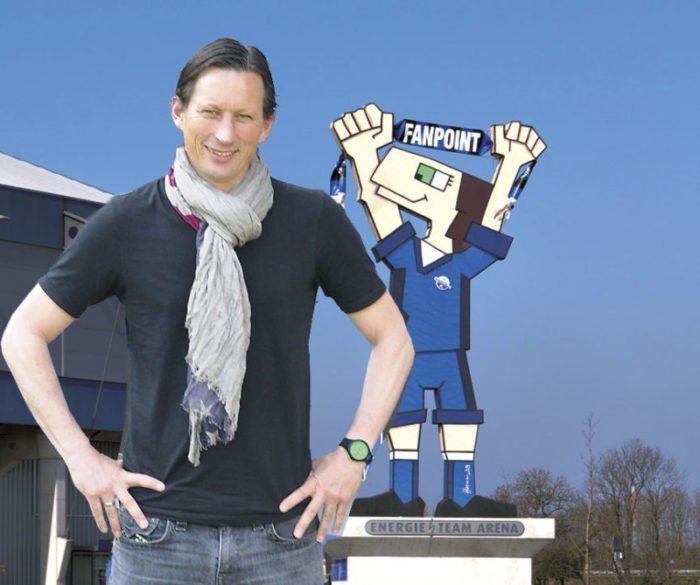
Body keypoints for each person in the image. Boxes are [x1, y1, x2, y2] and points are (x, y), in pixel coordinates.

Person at [1, 40, 414, 584]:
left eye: (243, 116)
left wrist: (354, 453)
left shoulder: (312, 220)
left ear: (267, 125)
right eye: (210, 112)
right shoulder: (126, 223)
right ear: (178, 112)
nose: (225, 133)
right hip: (156, 541)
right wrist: (80, 457)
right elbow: (23, 335)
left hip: (281, 540)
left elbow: (394, 339)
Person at [332, 104, 545, 517]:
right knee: (404, 421)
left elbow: (493, 219)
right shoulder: (406, 254)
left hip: (451, 357)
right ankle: (403, 497)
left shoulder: (464, 262)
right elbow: (380, 208)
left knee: (460, 420)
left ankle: (461, 498)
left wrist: (512, 164)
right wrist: (362, 154)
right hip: (407, 355)